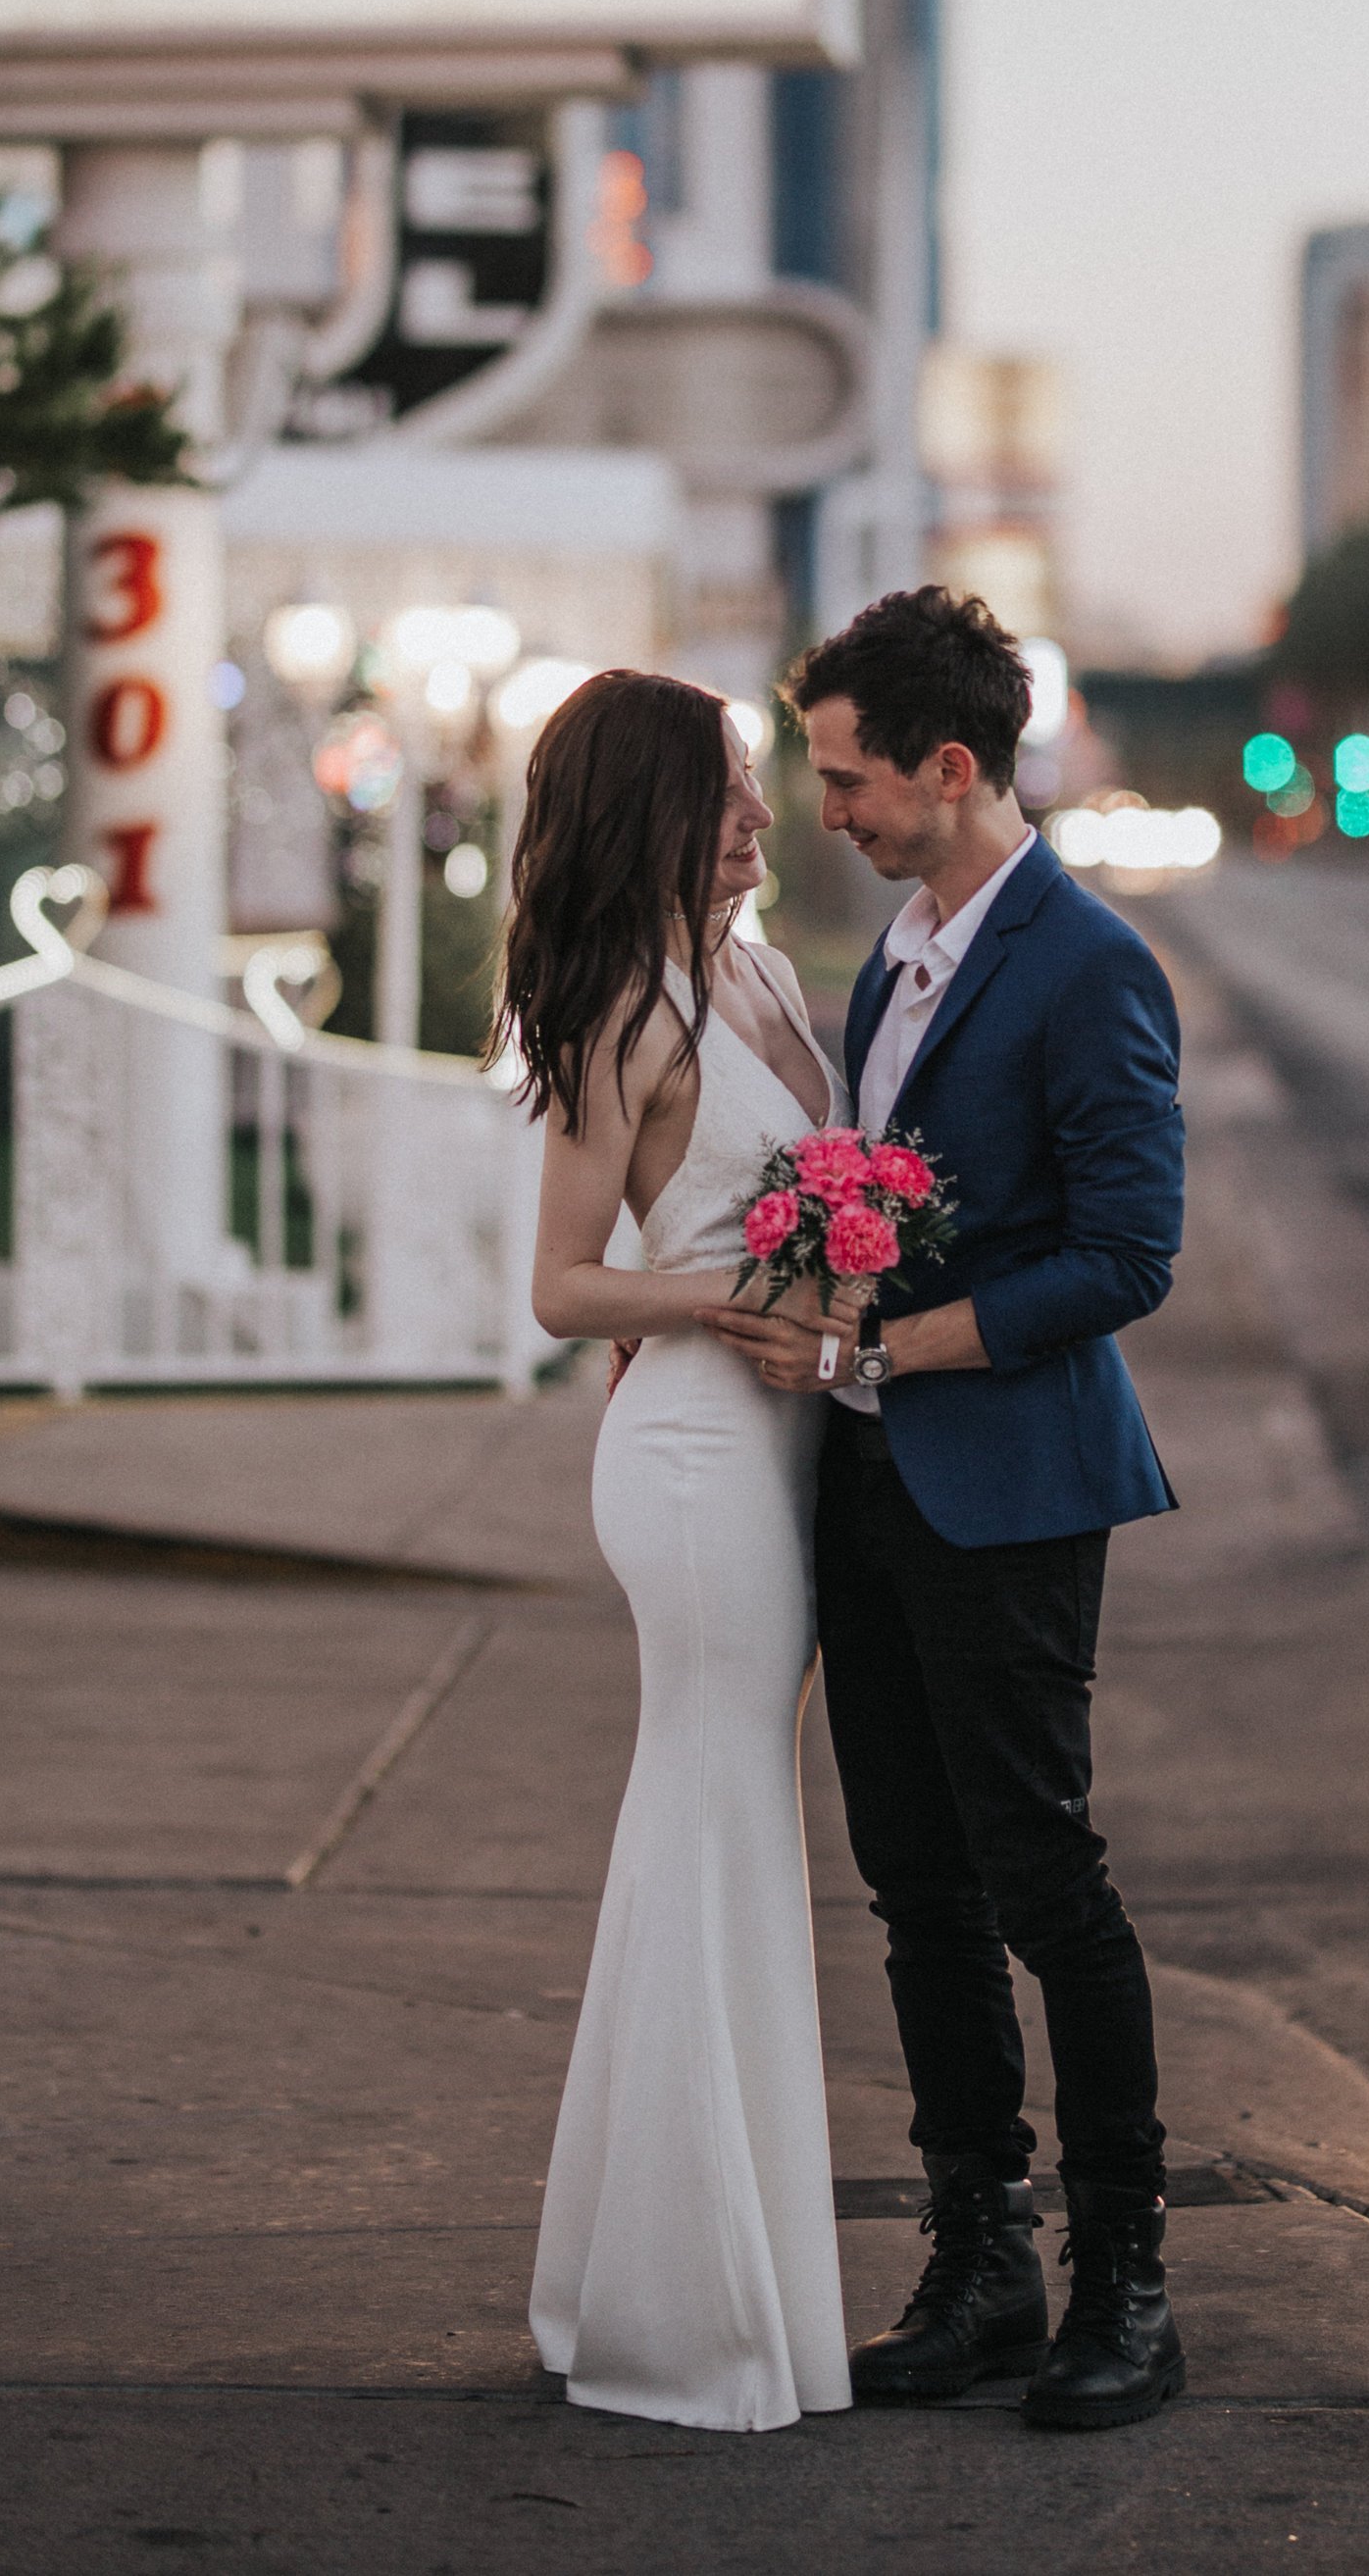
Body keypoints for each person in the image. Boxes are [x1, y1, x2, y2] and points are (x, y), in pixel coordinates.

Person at [701, 587, 1189, 2431]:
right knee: (914, 1887)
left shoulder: (1087, 965)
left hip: (1011, 1484)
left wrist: (899, 1352)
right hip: (873, 1484)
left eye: (848, 777)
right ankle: (979, 2255)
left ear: (952, 766)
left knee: (1047, 1879)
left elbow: (1127, 1254)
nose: (828, 808)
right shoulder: (894, 954)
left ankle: (1125, 2283)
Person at [503, 668, 852, 2434]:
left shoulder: (765, 972)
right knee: (715, 1826)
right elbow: (565, 1281)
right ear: (651, 806)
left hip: (787, 1438)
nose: (758, 814)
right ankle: (686, 2315)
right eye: (723, 789)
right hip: (699, 1457)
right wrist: (726, 1296)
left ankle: (627, 2277)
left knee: (711, 1832)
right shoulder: (625, 1011)